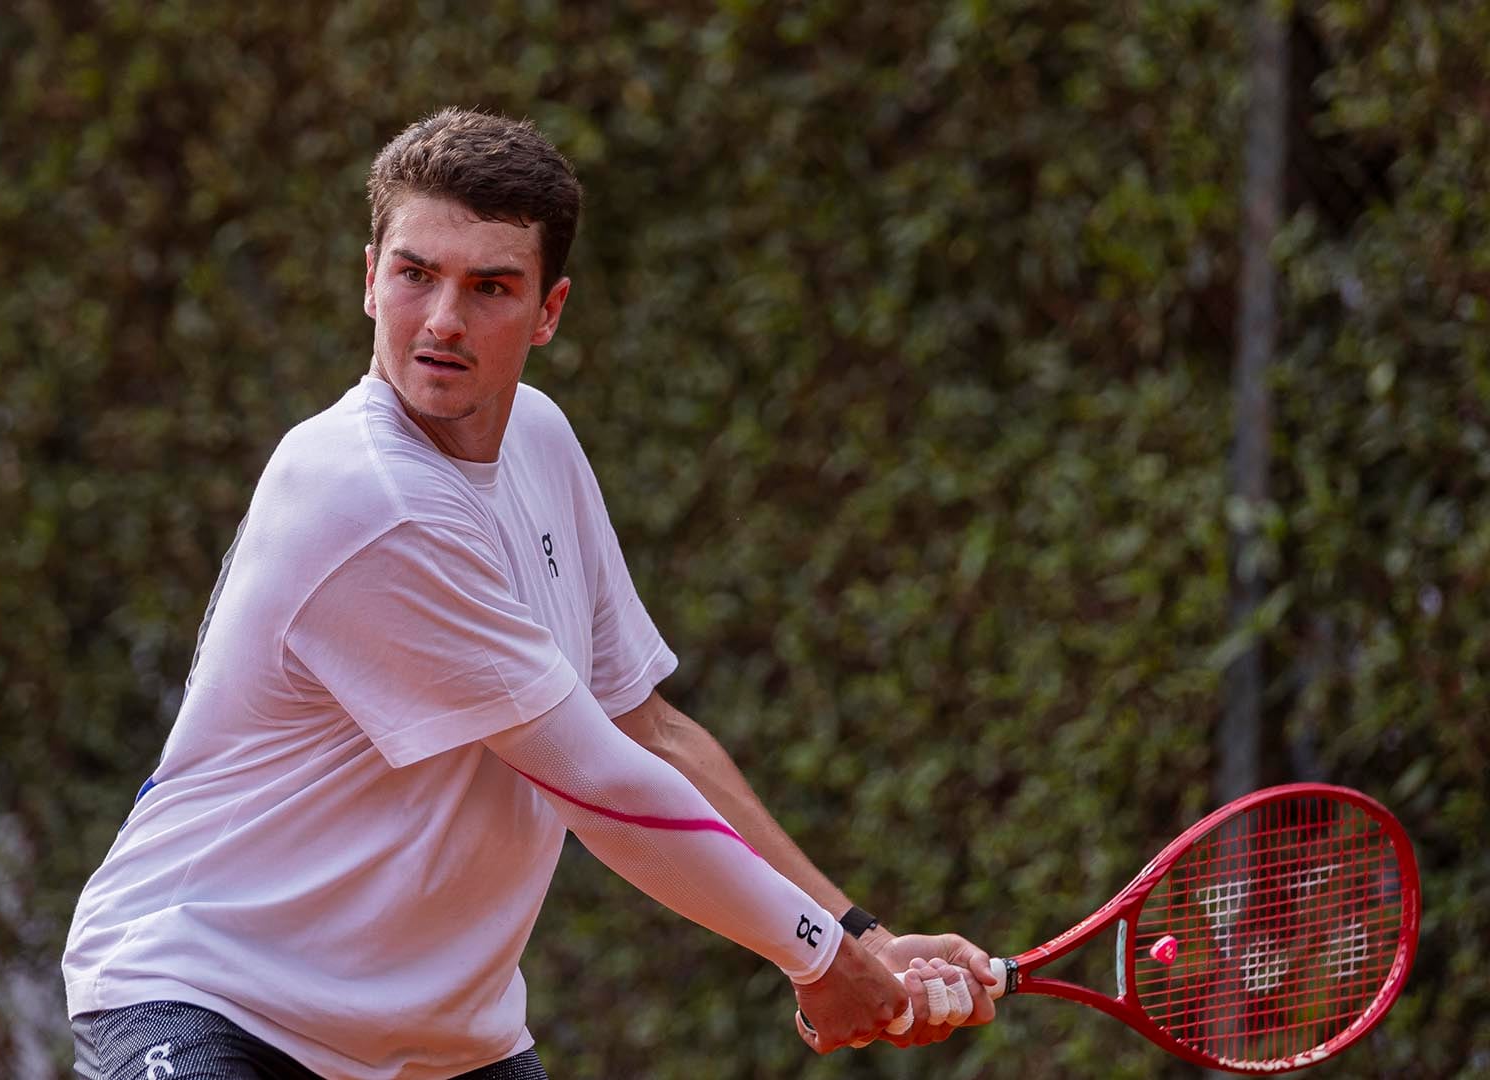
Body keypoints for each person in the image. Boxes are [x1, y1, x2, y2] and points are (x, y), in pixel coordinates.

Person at [63, 108, 996, 1080]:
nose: (443, 321)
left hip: (440, 1044)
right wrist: (816, 956)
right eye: (415, 274)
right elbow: (600, 783)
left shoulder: (539, 442)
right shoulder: (368, 496)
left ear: (548, 312)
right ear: (368, 277)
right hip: (212, 996)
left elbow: (648, 730)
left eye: (491, 287)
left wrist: (859, 934)